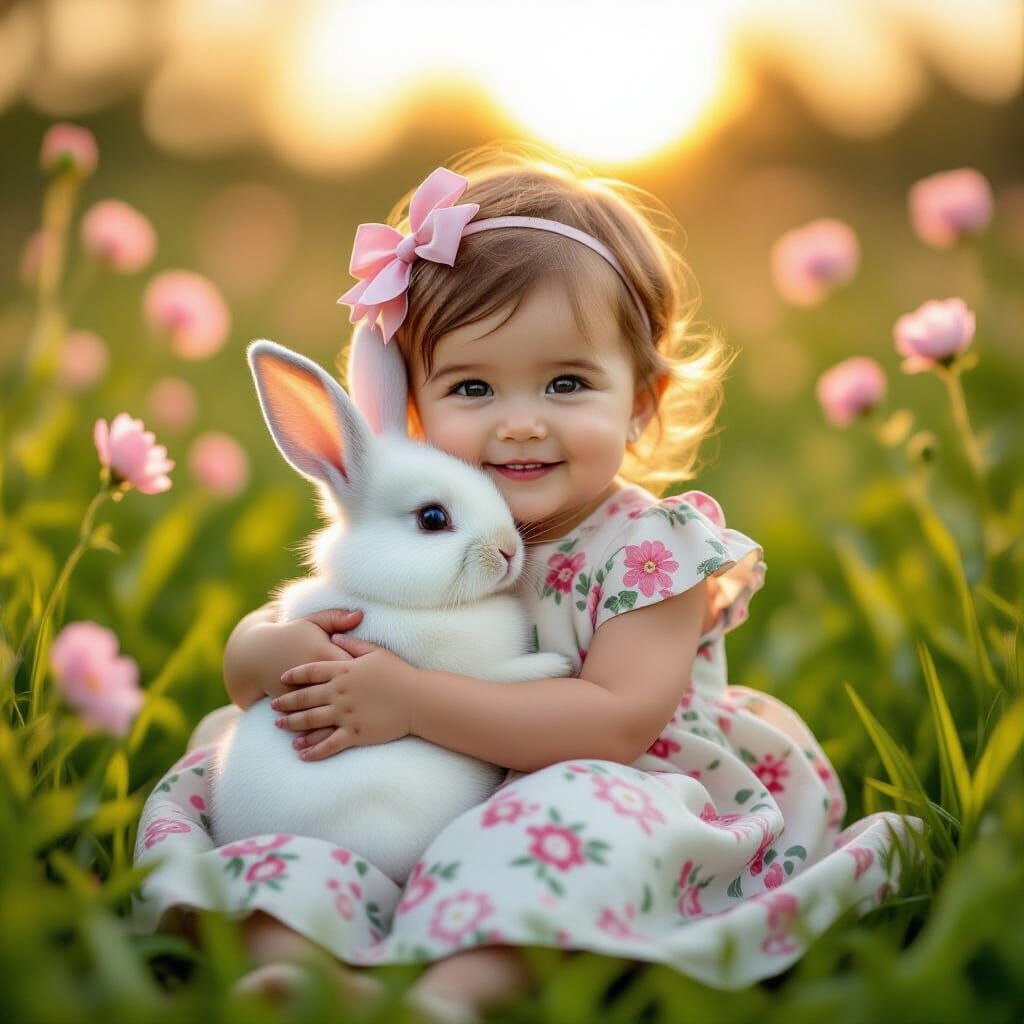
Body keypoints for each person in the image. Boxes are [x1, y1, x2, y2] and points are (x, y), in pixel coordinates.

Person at [132, 143, 921, 1023]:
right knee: (237, 768)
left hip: (605, 780)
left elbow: (614, 721)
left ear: (640, 402)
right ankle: (306, 966)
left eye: (566, 383)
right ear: (412, 407)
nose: (519, 423)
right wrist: (278, 654)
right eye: (473, 387)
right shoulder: (422, 524)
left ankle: (452, 993)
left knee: (559, 827)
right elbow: (257, 665)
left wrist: (410, 702)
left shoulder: (649, 549)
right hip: (421, 780)